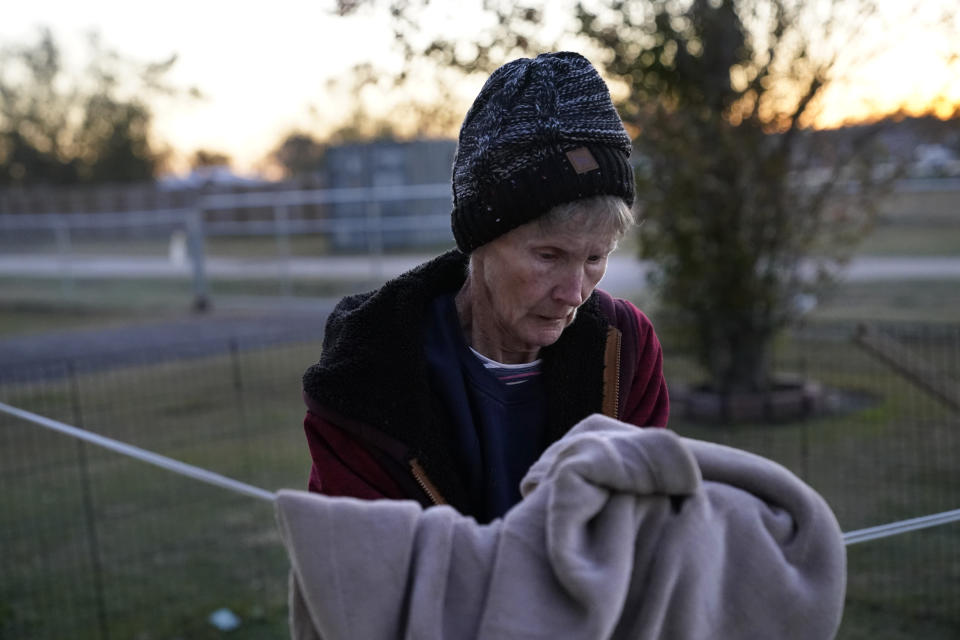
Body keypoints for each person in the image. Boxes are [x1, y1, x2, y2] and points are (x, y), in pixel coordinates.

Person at [301, 51, 669, 523]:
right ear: (480, 243)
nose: (575, 293)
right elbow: (363, 567)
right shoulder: (368, 370)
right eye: (549, 256)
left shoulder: (624, 350)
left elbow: (644, 526)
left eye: (595, 258)